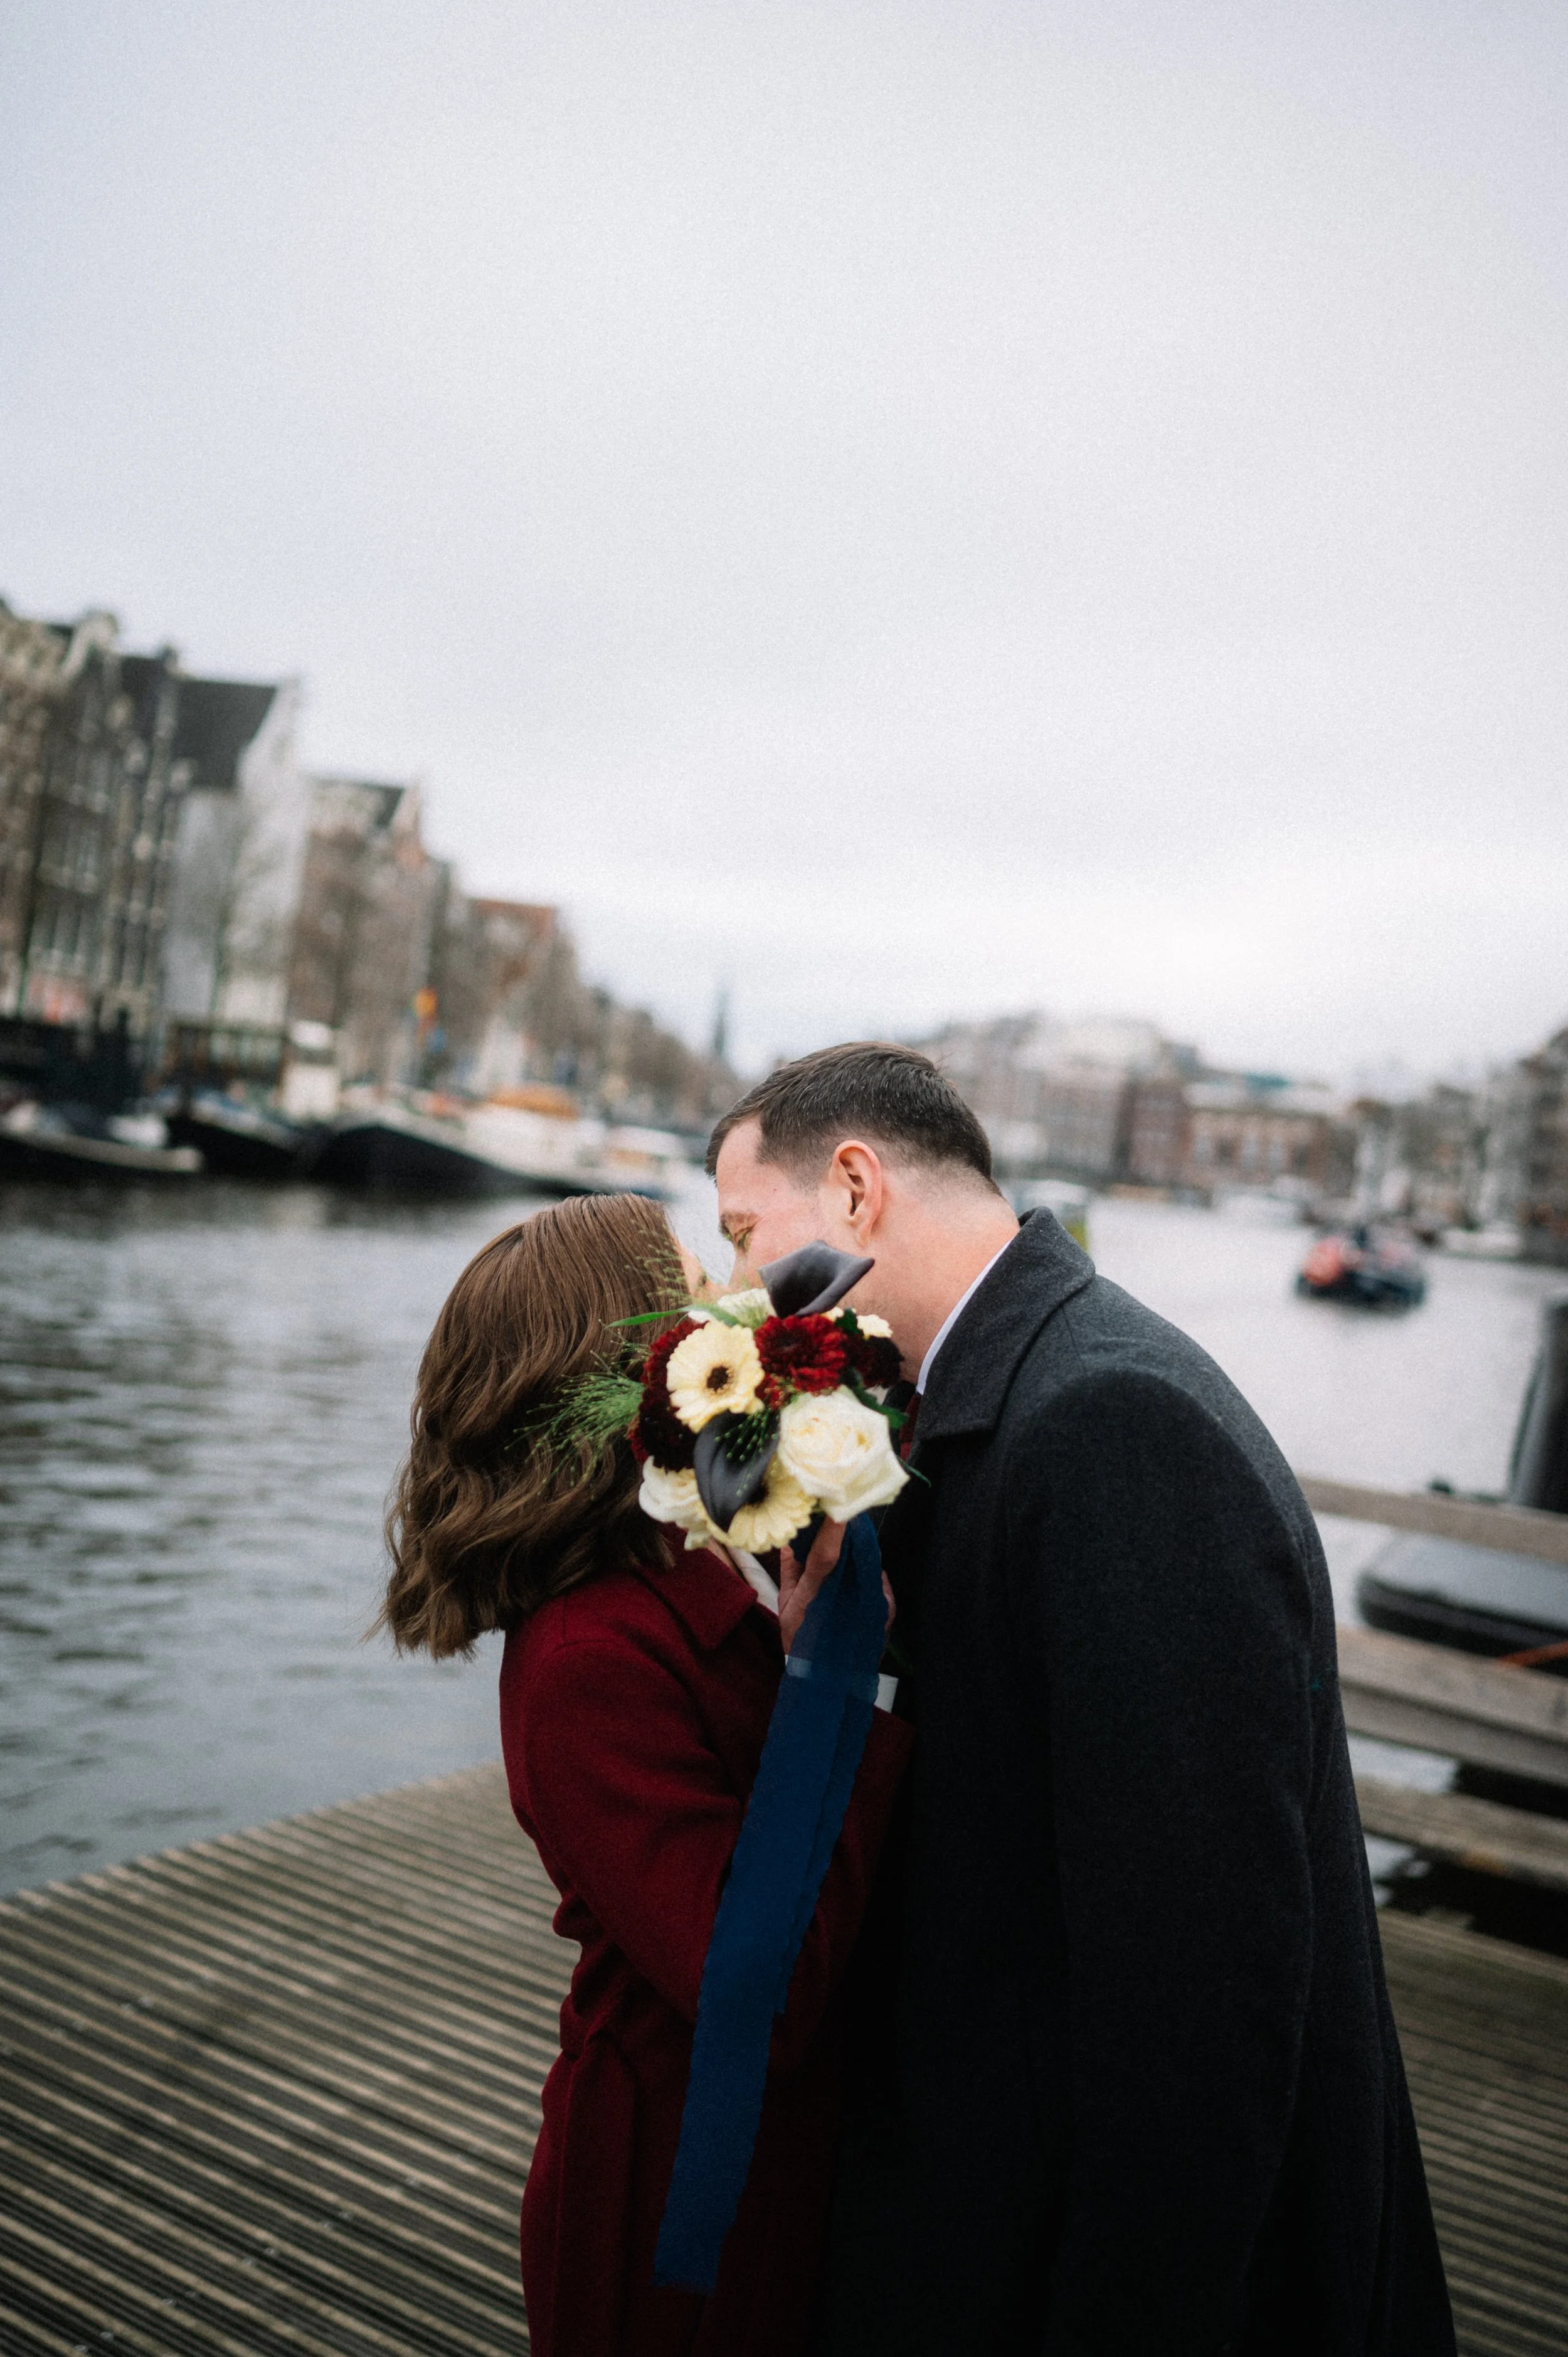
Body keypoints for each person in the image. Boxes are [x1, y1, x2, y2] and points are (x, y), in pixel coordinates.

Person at [707, 1043, 1455, 2357]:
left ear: (854, 1188)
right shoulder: (1003, 1399)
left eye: (743, 1232)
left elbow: (1199, 2014)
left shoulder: (1114, 1429)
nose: (737, 1288)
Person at [380, 1190, 912, 2357]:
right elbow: (751, 1991)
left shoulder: (684, 1553)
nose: (731, 1303)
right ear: (620, 1362)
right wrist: (840, 1678)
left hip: (770, 2156)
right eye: (691, 1285)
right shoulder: (583, 1657)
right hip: (676, 2186)